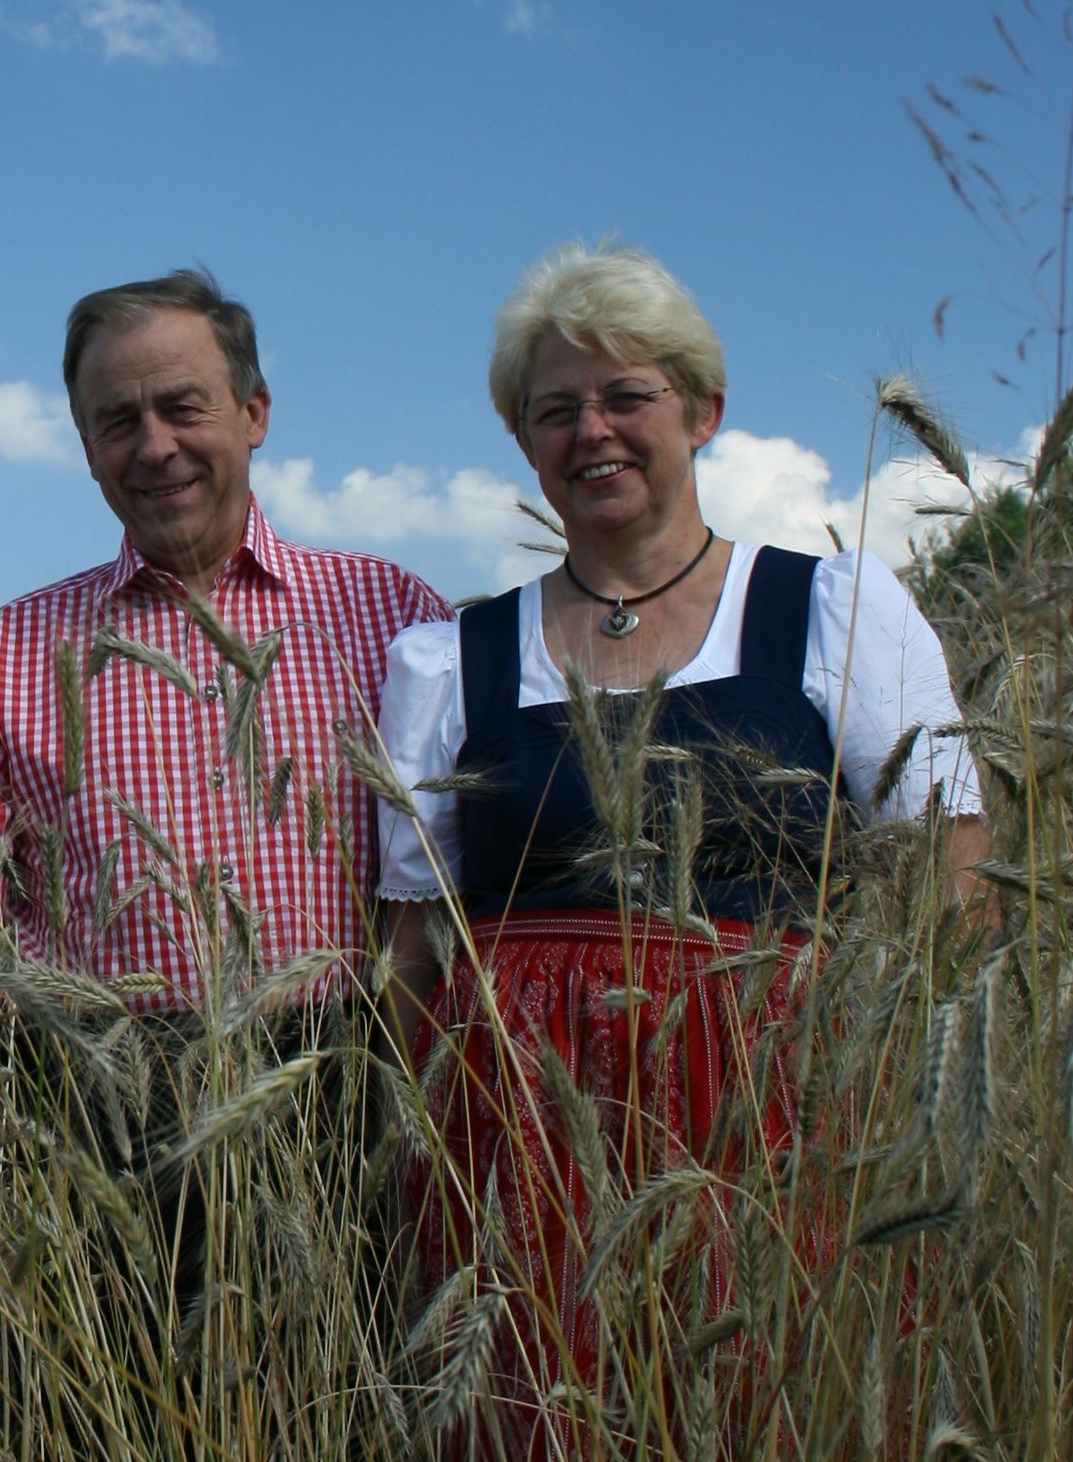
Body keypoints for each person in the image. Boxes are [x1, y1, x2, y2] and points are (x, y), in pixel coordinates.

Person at [374, 242, 989, 1452]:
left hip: (773, 1098)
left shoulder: (832, 609)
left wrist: (894, 1106)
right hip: (516, 1121)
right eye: (555, 410)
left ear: (704, 411)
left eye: (626, 396)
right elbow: (412, 944)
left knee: (773, 1392)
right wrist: (407, 1164)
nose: (591, 430)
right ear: (526, 444)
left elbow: (954, 881)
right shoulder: (453, 658)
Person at [0, 268, 449, 1322]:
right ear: (87, 446)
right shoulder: (3, 659)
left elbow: (446, 904)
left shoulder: (392, 616)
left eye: (182, 406)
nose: (153, 445)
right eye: (116, 421)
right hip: (99, 1129)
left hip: (348, 1106)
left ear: (254, 412)